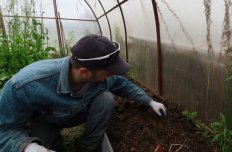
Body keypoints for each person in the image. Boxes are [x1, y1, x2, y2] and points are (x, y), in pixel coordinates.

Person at [0, 34, 167, 152]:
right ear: (84, 72)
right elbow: (4, 130)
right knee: (44, 142)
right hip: (45, 122)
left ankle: (85, 148)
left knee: (106, 98)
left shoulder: (98, 76)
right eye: (107, 73)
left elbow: (121, 84)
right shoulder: (25, 85)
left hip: (74, 114)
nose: (111, 76)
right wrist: (28, 147)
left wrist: (149, 101)